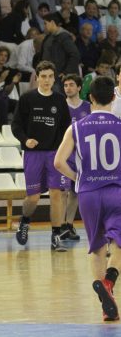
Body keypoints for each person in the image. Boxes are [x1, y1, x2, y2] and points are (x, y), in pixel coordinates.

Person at [54, 76, 121, 322]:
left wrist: (78, 177)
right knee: (120, 243)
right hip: (117, 189)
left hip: (89, 193)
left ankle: (106, 306)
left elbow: (58, 162)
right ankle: (109, 282)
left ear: (89, 98)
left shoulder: (76, 127)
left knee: (97, 247)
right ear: (113, 98)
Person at [11, 60, 71, 251]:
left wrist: (64, 150)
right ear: (37, 78)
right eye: (43, 76)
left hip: (54, 154)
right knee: (33, 198)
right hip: (33, 154)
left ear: (54, 78)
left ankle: (55, 236)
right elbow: (16, 125)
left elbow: (66, 128)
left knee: (56, 194)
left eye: (50, 76)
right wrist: (25, 139)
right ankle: (25, 221)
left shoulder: (60, 100)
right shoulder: (28, 98)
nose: (47, 80)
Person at [60, 74, 91, 241]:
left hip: (83, 155)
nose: (68, 88)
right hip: (65, 156)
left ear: (79, 87)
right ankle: (60, 225)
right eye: (65, 85)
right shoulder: (60, 106)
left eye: (71, 85)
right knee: (63, 191)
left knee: (75, 192)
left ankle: (69, 225)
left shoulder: (88, 107)